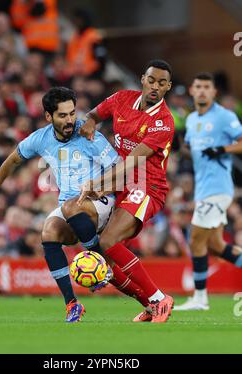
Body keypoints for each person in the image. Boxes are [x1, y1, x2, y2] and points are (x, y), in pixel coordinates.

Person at [0, 87, 118, 322]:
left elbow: (120, 170)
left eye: (72, 113)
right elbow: (12, 160)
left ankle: (100, 260)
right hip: (71, 206)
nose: (70, 120)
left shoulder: (89, 135)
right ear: (48, 117)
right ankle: (72, 304)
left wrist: (101, 186)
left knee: (70, 207)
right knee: (48, 231)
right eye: (63, 115)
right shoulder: (40, 139)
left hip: (100, 201)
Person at [77, 59, 175, 322]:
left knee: (108, 242)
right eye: (151, 80)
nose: (155, 86)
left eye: (162, 83)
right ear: (143, 79)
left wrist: (98, 184)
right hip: (121, 185)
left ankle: (159, 298)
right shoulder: (121, 98)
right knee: (102, 258)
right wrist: (89, 121)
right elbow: (95, 114)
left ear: (168, 87)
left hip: (147, 187)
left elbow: (133, 160)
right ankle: (150, 304)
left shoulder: (164, 122)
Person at [174, 72, 242, 311]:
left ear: (214, 92)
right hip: (203, 190)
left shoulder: (225, 117)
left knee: (195, 239)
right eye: (198, 86)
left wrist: (223, 148)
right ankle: (200, 297)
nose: (202, 91)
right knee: (215, 245)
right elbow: (191, 151)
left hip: (218, 188)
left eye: (207, 87)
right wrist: (176, 146)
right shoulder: (192, 120)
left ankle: (200, 298)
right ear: (192, 91)